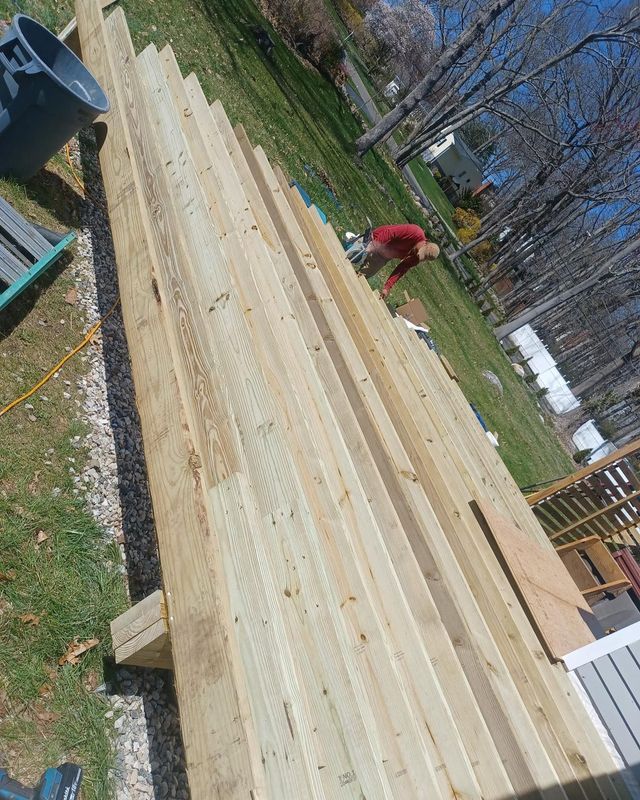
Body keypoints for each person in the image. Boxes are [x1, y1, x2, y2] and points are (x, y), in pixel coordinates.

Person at [347, 223, 440, 299]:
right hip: (376, 239)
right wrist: (373, 245)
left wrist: (387, 287)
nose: (417, 255)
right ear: (425, 244)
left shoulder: (416, 259)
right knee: (348, 257)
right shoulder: (415, 232)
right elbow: (390, 233)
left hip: (383, 257)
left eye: (421, 257)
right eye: (419, 252)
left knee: (360, 277)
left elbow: (400, 270)